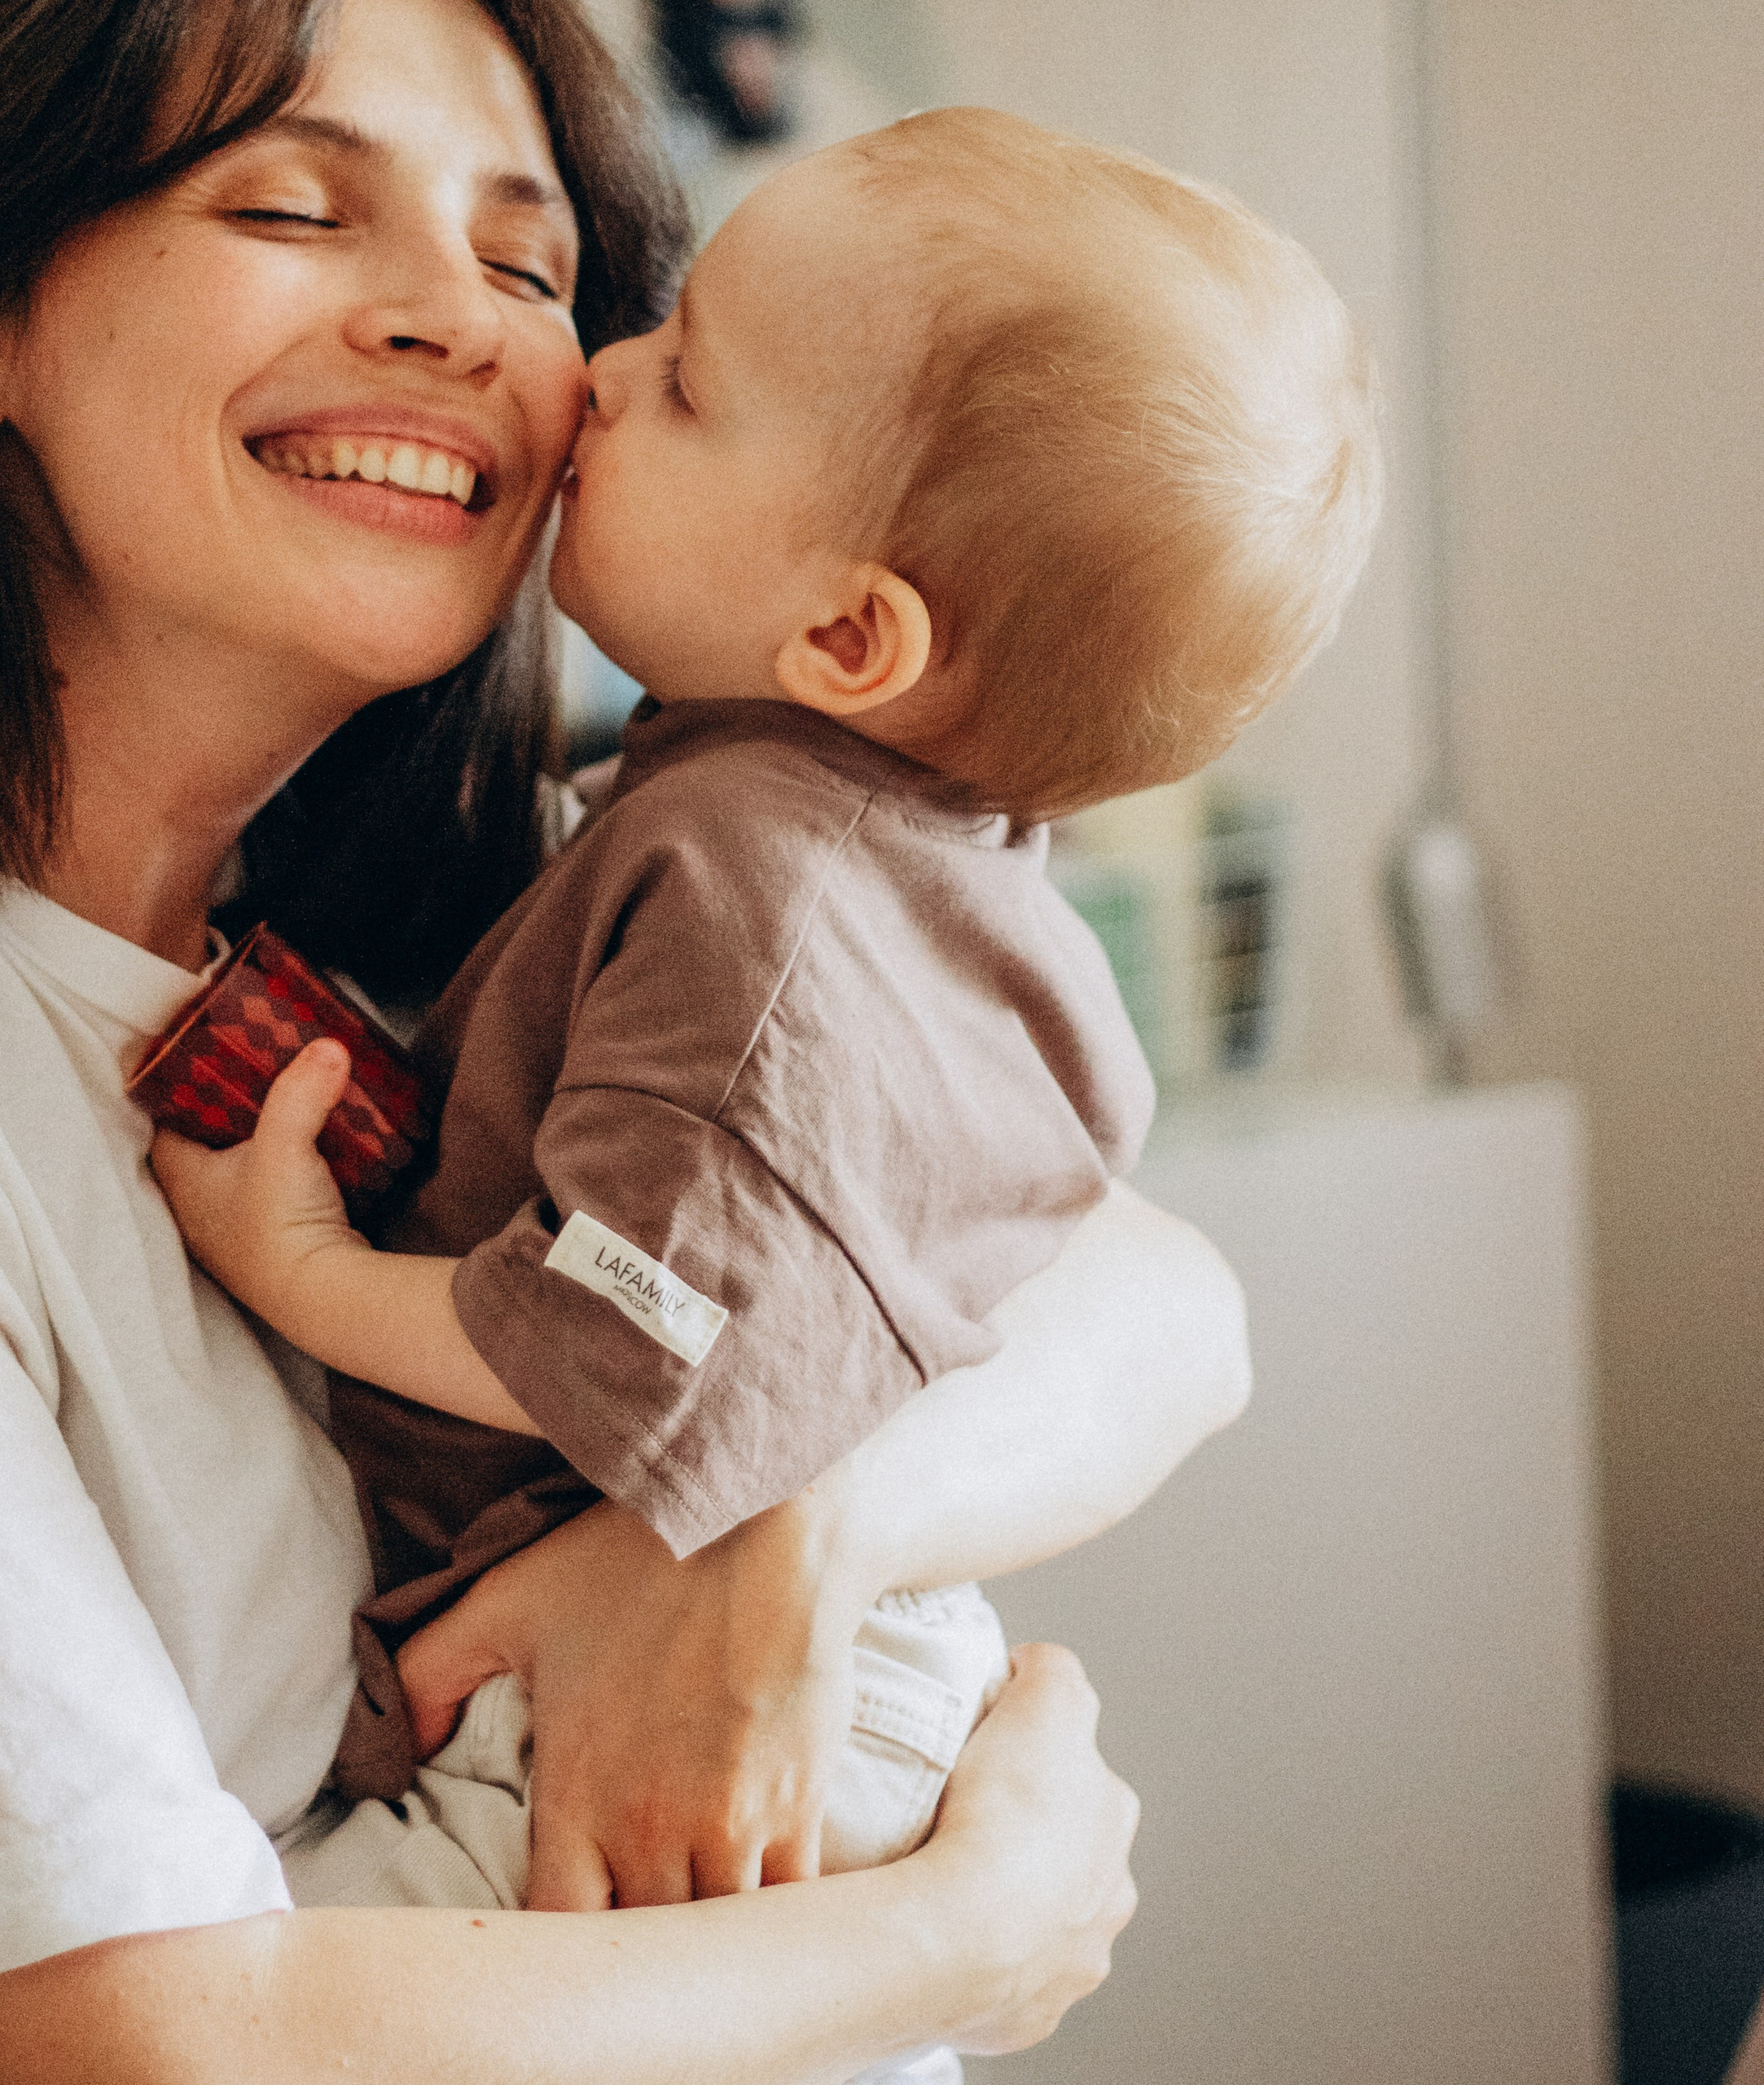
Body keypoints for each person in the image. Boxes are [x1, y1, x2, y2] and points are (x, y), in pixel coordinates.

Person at [0, 1, 1249, 2078]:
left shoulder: (515, 914)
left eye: (526, 261)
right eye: (289, 209)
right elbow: (141, 2044)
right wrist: (959, 1930)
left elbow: (1165, 1303)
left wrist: (773, 1531)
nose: (460, 319)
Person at [150, 104, 1379, 1946]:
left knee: (307, 1980)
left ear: (850, 640)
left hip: (655, 1697)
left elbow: (618, 1342)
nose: (601, 371)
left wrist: (302, 1270)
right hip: (779, 1644)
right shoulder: (891, 859)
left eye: (688, 382)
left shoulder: (760, 904)